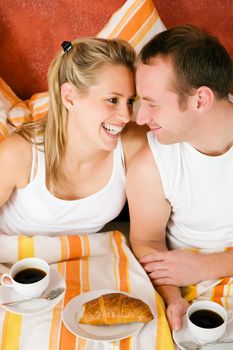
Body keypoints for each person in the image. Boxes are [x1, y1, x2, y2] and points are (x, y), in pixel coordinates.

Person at [126, 25, 233, 331]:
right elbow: (147, 241)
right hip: (183, 282)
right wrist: (173, 300)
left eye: (153, 103)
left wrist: (210, 266)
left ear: (200, 100)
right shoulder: (151, 165)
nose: (140, 119)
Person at [0, 37, 146, 237]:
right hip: (13, 261)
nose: (126, 115)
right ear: (70, 97)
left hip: (78, 259)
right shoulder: (19, 155)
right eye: (112, 100)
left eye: (130, 101)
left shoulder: (133, 143)